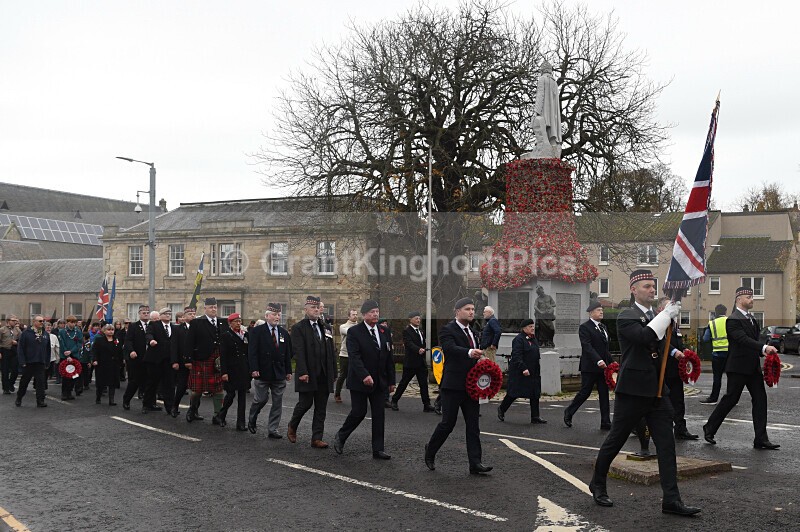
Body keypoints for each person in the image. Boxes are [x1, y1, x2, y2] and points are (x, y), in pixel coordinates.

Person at [589, 269, 701, 517]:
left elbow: (662, 343)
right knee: (616, 440)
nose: (652, 290)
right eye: (647, 286)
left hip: (658, 390)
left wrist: (674, 352)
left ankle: (671, 499)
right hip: (633, 390)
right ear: (633, 289)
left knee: (666, 445)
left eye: (653, 286)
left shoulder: (653, 315)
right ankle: (597, 483)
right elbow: (644, 336)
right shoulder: (626, 315)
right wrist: (665, 316)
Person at [703, 288, 779, 450]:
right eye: (748, 297)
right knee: (731, 399)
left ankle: (761, 438)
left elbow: (753, 340)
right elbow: (742, 340)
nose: (752, 299)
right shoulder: (732, 320)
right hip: (737, 367)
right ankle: (709, 427)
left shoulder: (751, 319)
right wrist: (764, 347)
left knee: (760, 399)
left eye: (752, 296)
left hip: (752, 367)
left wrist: (762, 351)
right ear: (738, 299)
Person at [425, 297, 491, 475]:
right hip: (453, 385)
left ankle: (475, 463)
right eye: (467, 309)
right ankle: (430, 451)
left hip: (471, 386)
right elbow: (450, 349)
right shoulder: (448, 329)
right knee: (448, 423)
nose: (471, 312)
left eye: (472, 309)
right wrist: (470, 352)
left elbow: (475, 354)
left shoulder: (474, 331)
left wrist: (482, 362)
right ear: (457, 311)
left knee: (473, 425)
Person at [333, 300, 396, 459]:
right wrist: (364, 375)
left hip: (379, 381)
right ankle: (341, 436)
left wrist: (391, 380)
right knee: (359, 412)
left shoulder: (384, 331)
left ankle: (378, 449)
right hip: (360, 380)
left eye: (377, 311)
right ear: (364, 315)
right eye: (371, 312)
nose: (375, 314)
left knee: (379, 414)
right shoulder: (355, 332)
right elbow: (354, 357)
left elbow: (389, 357)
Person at [287, 295, 337, 448]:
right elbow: (298, 351)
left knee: (321, 407)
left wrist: (334, 372)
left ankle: (316, 438)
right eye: (312, 308)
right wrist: (302, 371)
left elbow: (331, 351)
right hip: (308, 373)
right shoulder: (298, 328)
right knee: (305, 404)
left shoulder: (326, 327)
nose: (316, 310)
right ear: (306, 309)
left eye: (317, 308)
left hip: (324, 374)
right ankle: (292, 426)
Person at [655, 296, 698, 440]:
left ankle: (680, 428)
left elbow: (677, 342)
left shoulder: (675, 324)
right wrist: (675, 352)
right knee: (659, 402)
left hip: (676, 369)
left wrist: (685, 350)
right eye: (669, 306)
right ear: (661, 309)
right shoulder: (659, 323)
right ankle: (643, 426)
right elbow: (660, 342)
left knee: (679, 400)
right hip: (663, 369)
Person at [564, 301, 612, 430]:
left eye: (602, 310)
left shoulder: (603, 327)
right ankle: (569, 411)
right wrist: (598, 360)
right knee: (585, 392)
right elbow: (587, 346)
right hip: (590, 367)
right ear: (591, 313)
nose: (601, 312)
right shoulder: (585, 327)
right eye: (598, 310)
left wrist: (611, 363)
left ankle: (605, 422)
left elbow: (605, 348)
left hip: (603, 367)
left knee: (604, 393)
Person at [248, 303, 293, 438]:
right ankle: (252, 417)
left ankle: (273, 429)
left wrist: (288, 371)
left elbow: (287, 353)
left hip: (279, 372)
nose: (277, 317)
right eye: (274, 314)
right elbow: (252, 352)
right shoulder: (257, 331)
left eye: (278, 315)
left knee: (277, 402)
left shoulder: (284, 333)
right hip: (262, 371)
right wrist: (254, 369)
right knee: (261, 399)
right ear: (267, 316)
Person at [185, 297, 227, 423]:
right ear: (205, 309)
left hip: (218, 360)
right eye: (211, 307)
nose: (213, 309)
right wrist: (188, 359)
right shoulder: (197, 322)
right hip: (201, 359)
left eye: (215, 307)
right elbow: (189, 342)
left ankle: (217, 415)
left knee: (218, 388)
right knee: (197, 390)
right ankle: (192, 410)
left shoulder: (222, 322)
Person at [497, 319, 546, 424]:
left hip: (533, 371)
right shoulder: (519, 340)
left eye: (533, 326)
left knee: (535, 393)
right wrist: (523, 368)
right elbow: (517, 356)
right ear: (524, 328)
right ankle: (502, 409)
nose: (533, 328)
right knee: (514, 393)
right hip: (520, 371)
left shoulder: (533, 339)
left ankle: (535, 416)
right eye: (530, 326)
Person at [391, 312, 434, 412]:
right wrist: (418, 349)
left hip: (420, 363)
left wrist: (423, 348)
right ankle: (394, 400)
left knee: (424, 384)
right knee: (404, 383)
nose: (418, 320)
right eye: (416, 318)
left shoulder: (420, 331)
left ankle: (426, 404)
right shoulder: (407, 331)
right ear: (410, 319)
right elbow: (409, 343)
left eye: (419, 318)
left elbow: (421, 342)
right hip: (411, 362)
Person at [217, 313, 251, 430]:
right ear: (230, 323)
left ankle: (240, 423)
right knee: (230, 395)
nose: (238, 323)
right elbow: (223, 356)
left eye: (239, 321)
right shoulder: (226, 336)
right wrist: (224, 372)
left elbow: (248, 352)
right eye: (236, 321)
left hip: (243, 369)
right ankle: (221, 415)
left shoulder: (245, 335)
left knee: (242, 397)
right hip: (231, 370)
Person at [142, 308, 174, 414]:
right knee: (152, 383)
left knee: (169, 384)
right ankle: (147, 405)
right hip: (154, 360)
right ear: (160, 316)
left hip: (168, 360)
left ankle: (170, 407)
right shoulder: (153, 325)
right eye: (165, 313)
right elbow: (148, 334)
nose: (168, 315)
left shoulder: (174, 327)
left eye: (169, 313)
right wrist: (151, 340)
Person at [15, 315, 50, 407]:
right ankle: (19, 397)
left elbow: (48, 348)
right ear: (34, 322)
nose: (42, 323)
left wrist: (47, 361)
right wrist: (22, 361)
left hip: (40, 362)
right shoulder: (26, 333)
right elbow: (20, 348)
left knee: (40, 382)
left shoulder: (45, 334)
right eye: (40, 321)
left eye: (43, 321)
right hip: (29, 362)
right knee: (24, 382)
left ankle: (40, 401)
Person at [122, 306, 151, 409]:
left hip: (150, 358)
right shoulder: (133, 326)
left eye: (148, 312)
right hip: (137, 358)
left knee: (149, 382)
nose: (146, 314)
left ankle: (147, 404)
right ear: (139, 314)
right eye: (144, 312)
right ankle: (126, 399)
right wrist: (131, 351)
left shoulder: (152, 325)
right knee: (135, 381)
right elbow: (128, 340)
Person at [700, 304, 728, 404]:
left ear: (716, 312)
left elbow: (705, 339)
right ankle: (731, 398)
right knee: (731, 377)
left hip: (717, 355)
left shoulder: (712, 323)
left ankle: (713, 398)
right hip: (729, 355)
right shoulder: (730, 321)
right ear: (725, 312)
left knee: (717, 377)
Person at [169, 308, 195, 418]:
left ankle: (194, 410)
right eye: (190, 314)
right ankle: (175, 406)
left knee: (196, 388)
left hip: (195, 362)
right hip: (182, 362)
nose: (192, 316)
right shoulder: (177, 329)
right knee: (182, 386)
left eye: (194, 314)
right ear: (184, 317)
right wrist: (174, 361)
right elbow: (174, 346)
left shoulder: (197, 328)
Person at [90, 324, 122, 406]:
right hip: (102, 364)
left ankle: (111, 400)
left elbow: (120, 352)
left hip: (113, 364)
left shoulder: (117, 340)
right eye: (109, 330)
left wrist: (121, 361)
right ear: (104, 331)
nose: (111, 331)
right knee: (101, 382)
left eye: (112, 330)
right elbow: (94, 351)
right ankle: (98, 397)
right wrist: (95, 360)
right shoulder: (99, 340)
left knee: (112, 383)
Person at [334, 309, 359, 403]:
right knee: (343, 375)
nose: (355, 316)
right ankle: (337, 394)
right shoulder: (343, 326)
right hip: (345, 355)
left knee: (357, 376)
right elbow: (351, 332)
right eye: (353, 314)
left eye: (356, 314)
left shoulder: (359, 326)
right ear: (349, 316)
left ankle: (357, 396)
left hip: (356, 355)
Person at [58, 315, 84, 401]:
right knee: (65, 375)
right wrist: (67, 353)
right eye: (71, 322)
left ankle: (70, 391)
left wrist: (72, 351)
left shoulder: (78, 331)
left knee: (74, 375)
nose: (73, 324)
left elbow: (80, 343)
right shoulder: (62, 332)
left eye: (74, 322)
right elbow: (62, 343)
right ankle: (64, 393)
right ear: (67, 322)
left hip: (75, 355)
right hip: (65, 355)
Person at [1, 315, 22, 394]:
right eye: (13, 320)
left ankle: (11, 383)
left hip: (14, 350)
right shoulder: (2, 330)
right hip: (5, 350)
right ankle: (5, 388)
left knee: (15, 370)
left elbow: (22, 340)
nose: (15, 322)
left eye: (16, 320)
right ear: (8, 321)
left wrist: (17, 343)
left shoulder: (18, 330)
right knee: (5, 370)